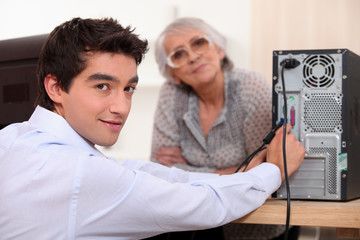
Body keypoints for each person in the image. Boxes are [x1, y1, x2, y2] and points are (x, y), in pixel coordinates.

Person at [0, 17, 305, 240]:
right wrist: (274, 170)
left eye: (129, 88)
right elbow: (203, 204)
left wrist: (226, 173)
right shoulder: (81, 172)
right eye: (103, 86)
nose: (121, 107)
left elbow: (146, 172)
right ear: (55, 87)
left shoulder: (12, 138)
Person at [150, 17, 299, 239]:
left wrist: (187, 169)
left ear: (220, 50)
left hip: (256, 226)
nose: (192, 56)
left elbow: (263, 173)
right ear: (174, 75)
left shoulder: (250, 87)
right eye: (178, 54)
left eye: (198, 42)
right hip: (197, 222)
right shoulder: (171, 94)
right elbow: (159, 174)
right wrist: (235, 172)